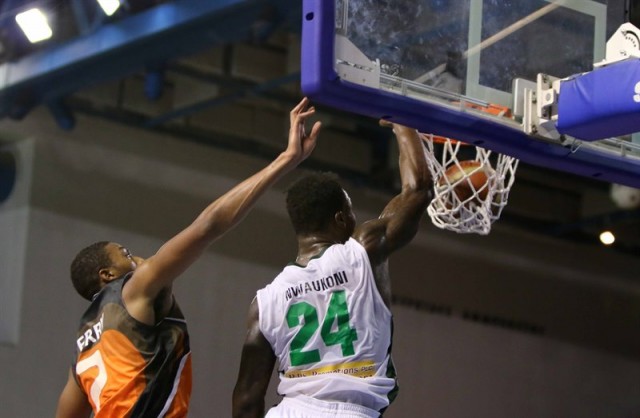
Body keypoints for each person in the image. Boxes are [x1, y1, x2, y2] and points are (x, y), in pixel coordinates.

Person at [54, 97, 322, 418]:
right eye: (125, 254)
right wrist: (285, 160)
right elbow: (208, 226)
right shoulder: (135, 289)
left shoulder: (83, 351)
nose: (138, 257)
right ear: (107, 275)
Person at [233, 121, 432, 418]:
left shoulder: (264, 303)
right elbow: (417, 191)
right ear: (341, 219)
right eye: (351, 211)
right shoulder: (363, 251)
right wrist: (402, 123)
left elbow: (247, 400)